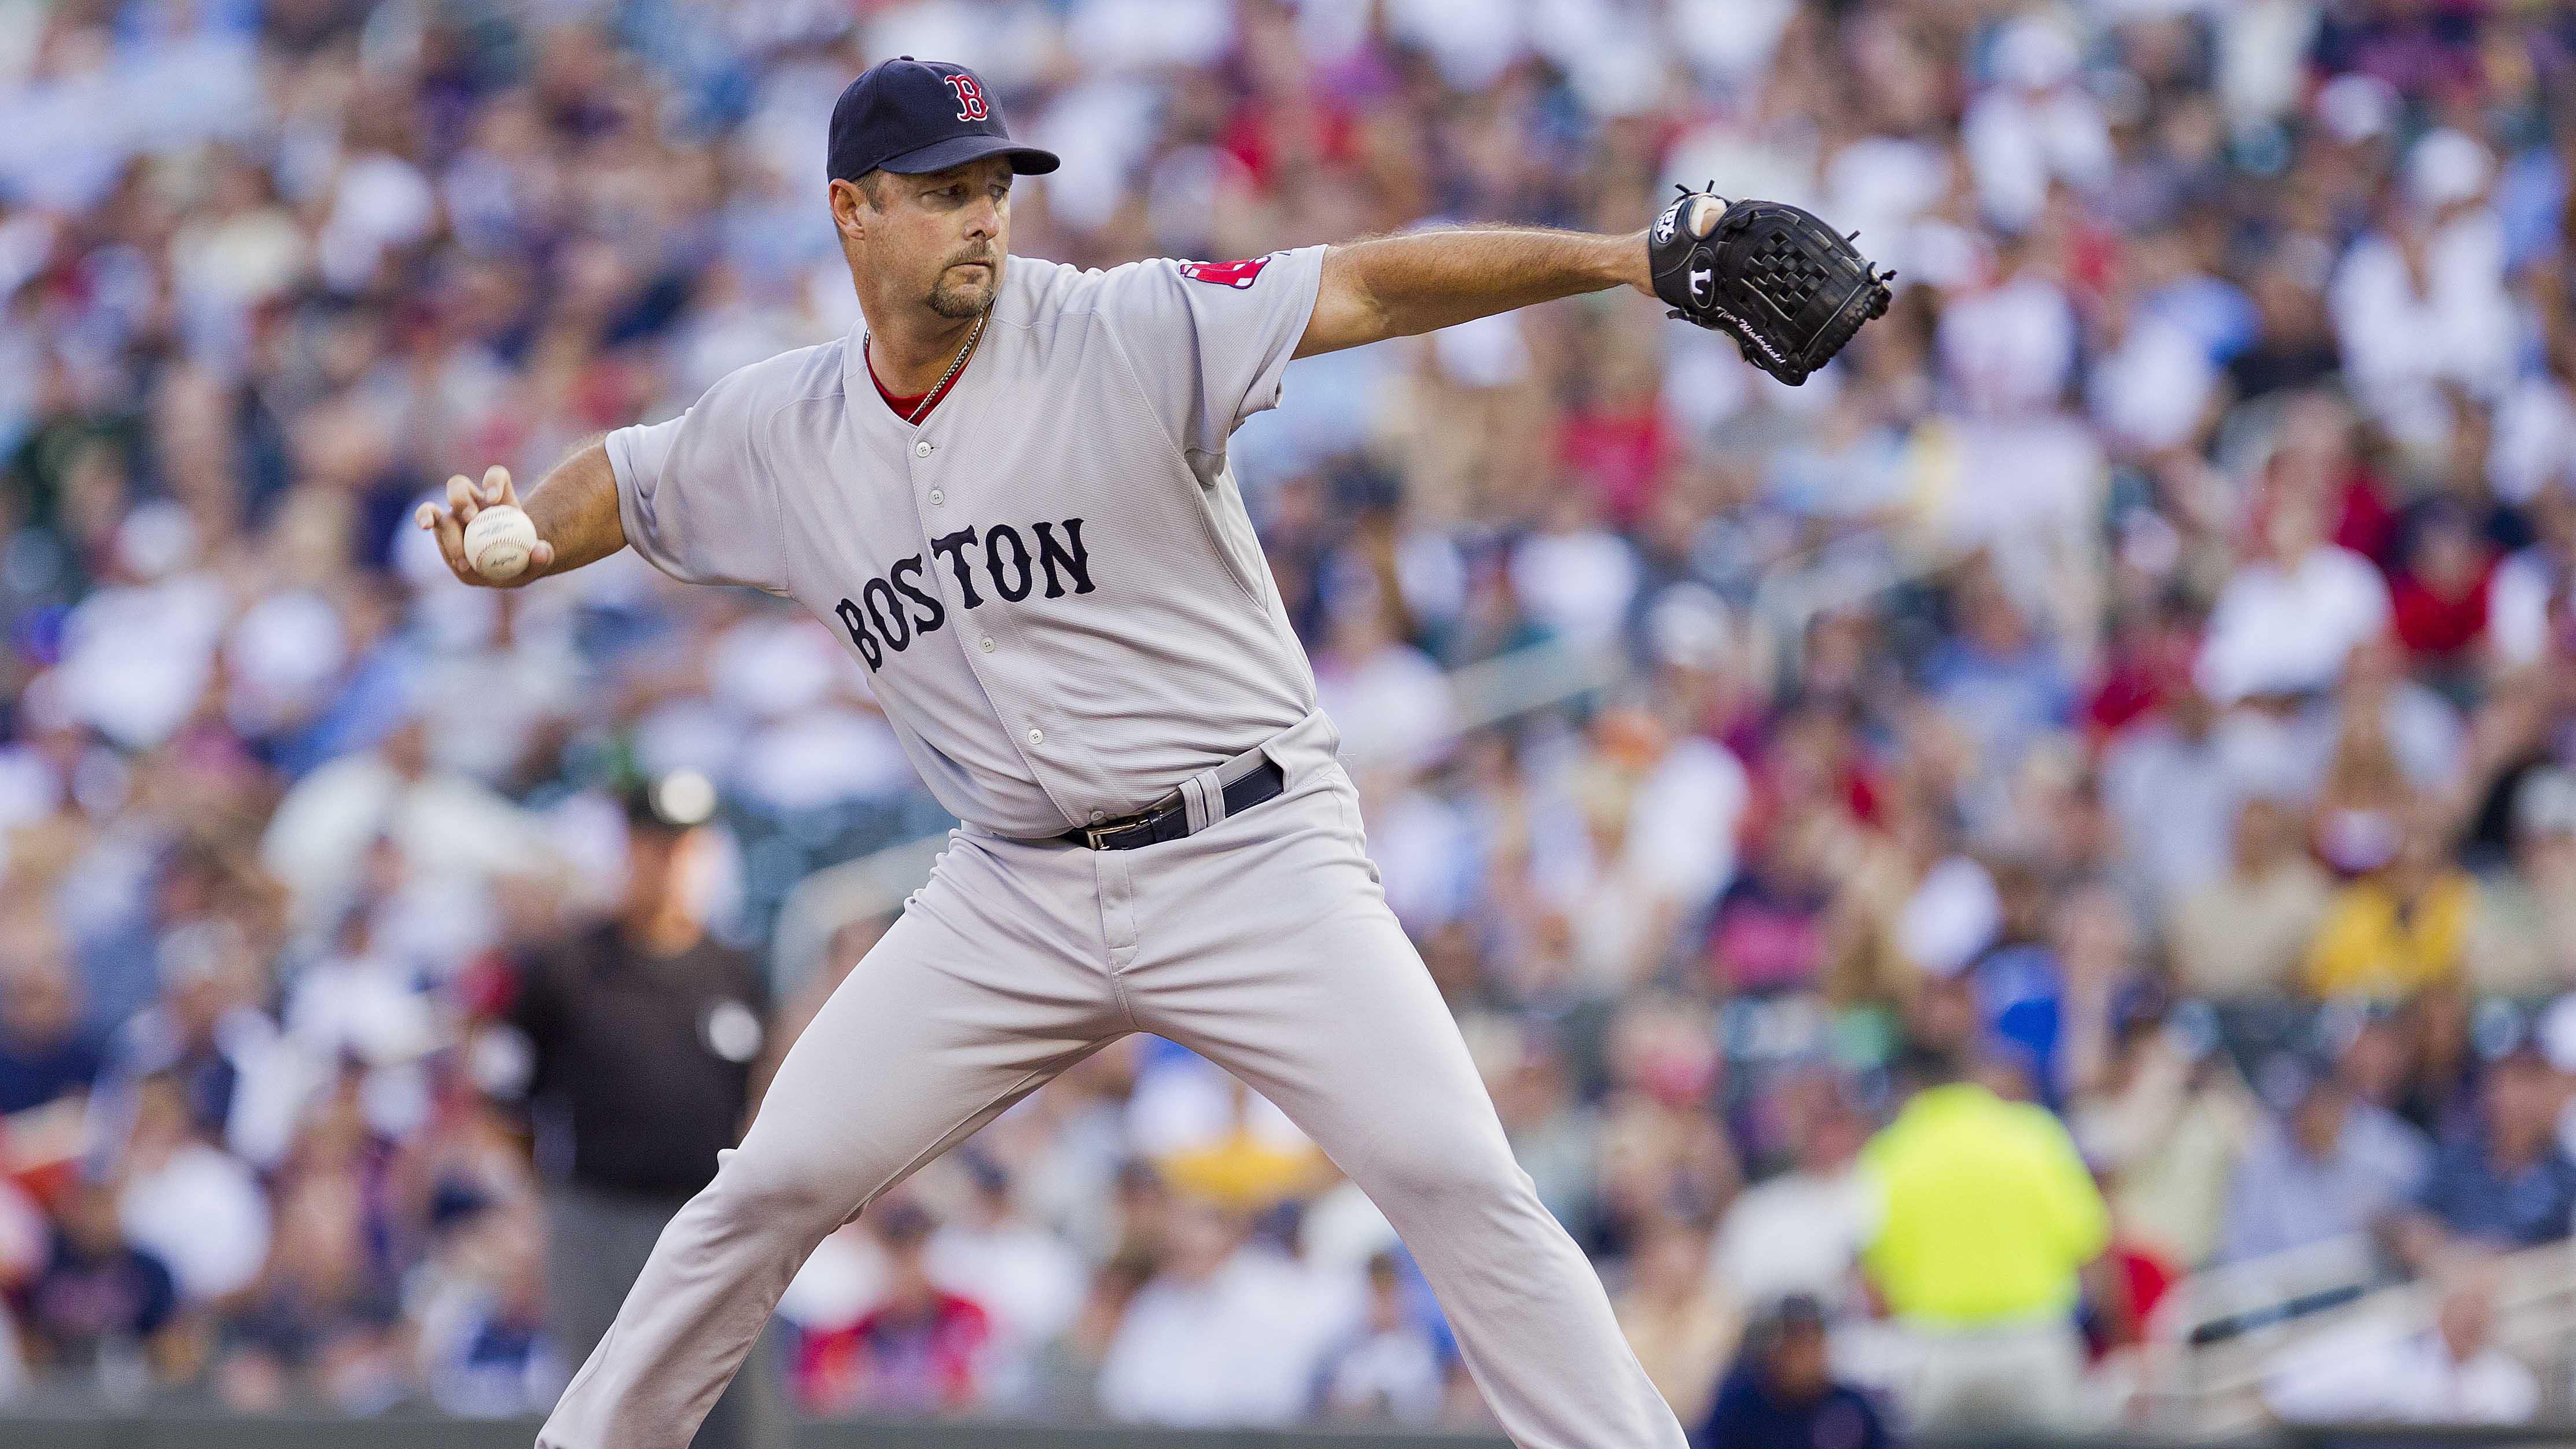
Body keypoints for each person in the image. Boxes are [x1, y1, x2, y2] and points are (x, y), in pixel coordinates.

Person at [407, 53, 1876, 1449]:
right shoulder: (786, 424)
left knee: (1458, 1177)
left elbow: (1363, 280)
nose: (981, 213)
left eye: (995, 184)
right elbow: (638, 473)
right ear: (851, 211)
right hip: (1012, 896)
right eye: (939, 188)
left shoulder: (1116, 324)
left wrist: (1623, 257)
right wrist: (530, 536)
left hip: (1250, 849)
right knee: (766, 1186)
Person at [487, 771, 774, 1447]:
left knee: (736, 1418)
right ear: (629, 850)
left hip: (709, 1219)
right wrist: (544, 1199)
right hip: (599, 1217)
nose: (670, 862)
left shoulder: (733, 971)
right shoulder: (567, 968)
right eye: (655, 845)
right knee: (602, 1412)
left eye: (685, 846)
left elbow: (756, 1096)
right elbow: (503, 1099)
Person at [1857, 1051, 2109, 1432]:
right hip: (2033, 1341)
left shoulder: (1890, 1152)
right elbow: (2090, 1247)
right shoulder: (2033, 1134)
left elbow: (1875, 1276)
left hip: (1937, 1351)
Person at [1697, 1294, 1890, 1449]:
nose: (1803, 1354)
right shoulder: (1741, 1405)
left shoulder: (1851, 1407)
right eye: (1795, 1341)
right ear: (1774, 1347)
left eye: (1813, 1340)